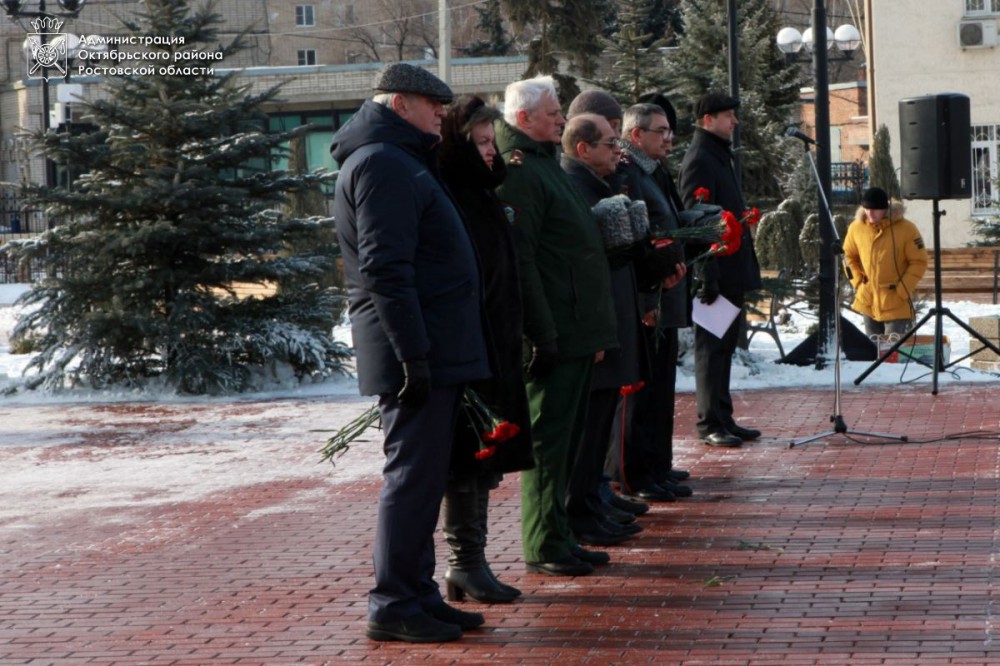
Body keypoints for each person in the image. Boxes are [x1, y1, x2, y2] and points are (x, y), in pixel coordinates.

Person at [330, 63, 491, 643]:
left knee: (425, 480)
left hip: (431, 346)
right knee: (412, 480)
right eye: (432, 104)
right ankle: (394, 601)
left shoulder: (402, 158)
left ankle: (419, 594)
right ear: (400, 104)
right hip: (415, 352)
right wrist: (412, 355)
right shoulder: (382, 163)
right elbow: (385, 268)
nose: (442, 113)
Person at [495, 75, 618, 577]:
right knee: (548, 443)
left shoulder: (543, 162)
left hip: (576, 325)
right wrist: (540, 334)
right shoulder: (520, 170)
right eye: (552, 114)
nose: (562, 119)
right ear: (524, 118)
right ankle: (544, 542)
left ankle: (560, 534)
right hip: (557, 331)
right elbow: (521, 260)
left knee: (567, 441)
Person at [437, 95, 534, 603]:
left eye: (491, 140)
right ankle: (464, 563)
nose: (491, 150)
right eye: (480, 142)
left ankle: (472, 563)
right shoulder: (453, 190)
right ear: (459, 145)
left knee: (485, 458)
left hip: (495, 342)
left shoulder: (482, 190)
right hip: (469, 344)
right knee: (467, 458)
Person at [559, 111, 646, 547]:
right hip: (592, 324)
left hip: (610, 318)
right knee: (588, 431)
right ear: (583, 149)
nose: (618, 151)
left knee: (598, 427)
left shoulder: (600, 183)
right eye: (610, 143)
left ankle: (592, 503)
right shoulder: (577, 186)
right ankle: (581, 511)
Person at [614, 100, 692, 497]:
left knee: (661, 390)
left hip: (665, 294)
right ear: (635, 135)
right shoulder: (628, 174)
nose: (669, 138)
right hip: (648, 298)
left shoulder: (652, 171)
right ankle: (634, 473)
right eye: (660, 131)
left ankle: (657, 464)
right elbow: (636, 239)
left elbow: (667, 224)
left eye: (669, 130)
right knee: (641, 394)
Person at [678, 92, 763, 448]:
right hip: (715, 272)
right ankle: (709, 422)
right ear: (708, 119)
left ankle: (723, 417)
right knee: (711, 349)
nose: (735, 122)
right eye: (728, 116)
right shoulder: (700, 158)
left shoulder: (717, 154)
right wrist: (706, 273)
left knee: (724, 347)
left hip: (729, 269)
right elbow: (696, 219)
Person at [843, 187, 928, 337]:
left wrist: (903, 290)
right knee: (872, 347)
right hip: (868, 299)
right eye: (867, 209)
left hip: (895, 300)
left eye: (875, 209)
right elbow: (848, 256)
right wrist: (858, 282)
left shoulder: (907, 229)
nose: (870, 213)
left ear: (885, 209)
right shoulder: (856, 228)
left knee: (892, 349)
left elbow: (919, 261)